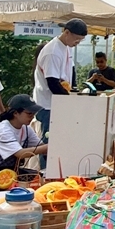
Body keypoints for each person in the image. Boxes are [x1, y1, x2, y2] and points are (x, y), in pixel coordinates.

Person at [33, 19, 88, 150]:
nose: (77, 43)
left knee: (61, 141)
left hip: (59, 101)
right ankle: (46, 169)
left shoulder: (65, 47)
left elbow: (71, 70)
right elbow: (52, 83)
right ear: (67, 32)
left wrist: (74, 90)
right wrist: (68, 101)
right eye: (76, 39)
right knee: (50, 142)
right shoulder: (52, 52)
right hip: (48, 104)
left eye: (80, 40)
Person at [0, 94, 48, 172]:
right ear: (15, 113)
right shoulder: (3, 130)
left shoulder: (26, 128)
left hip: (13, 170)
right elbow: (20, 153)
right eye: (29, 114)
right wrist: (47, 147)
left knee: (38, 177)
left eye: (33, 114)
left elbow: (41, 146)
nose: (32, 117)